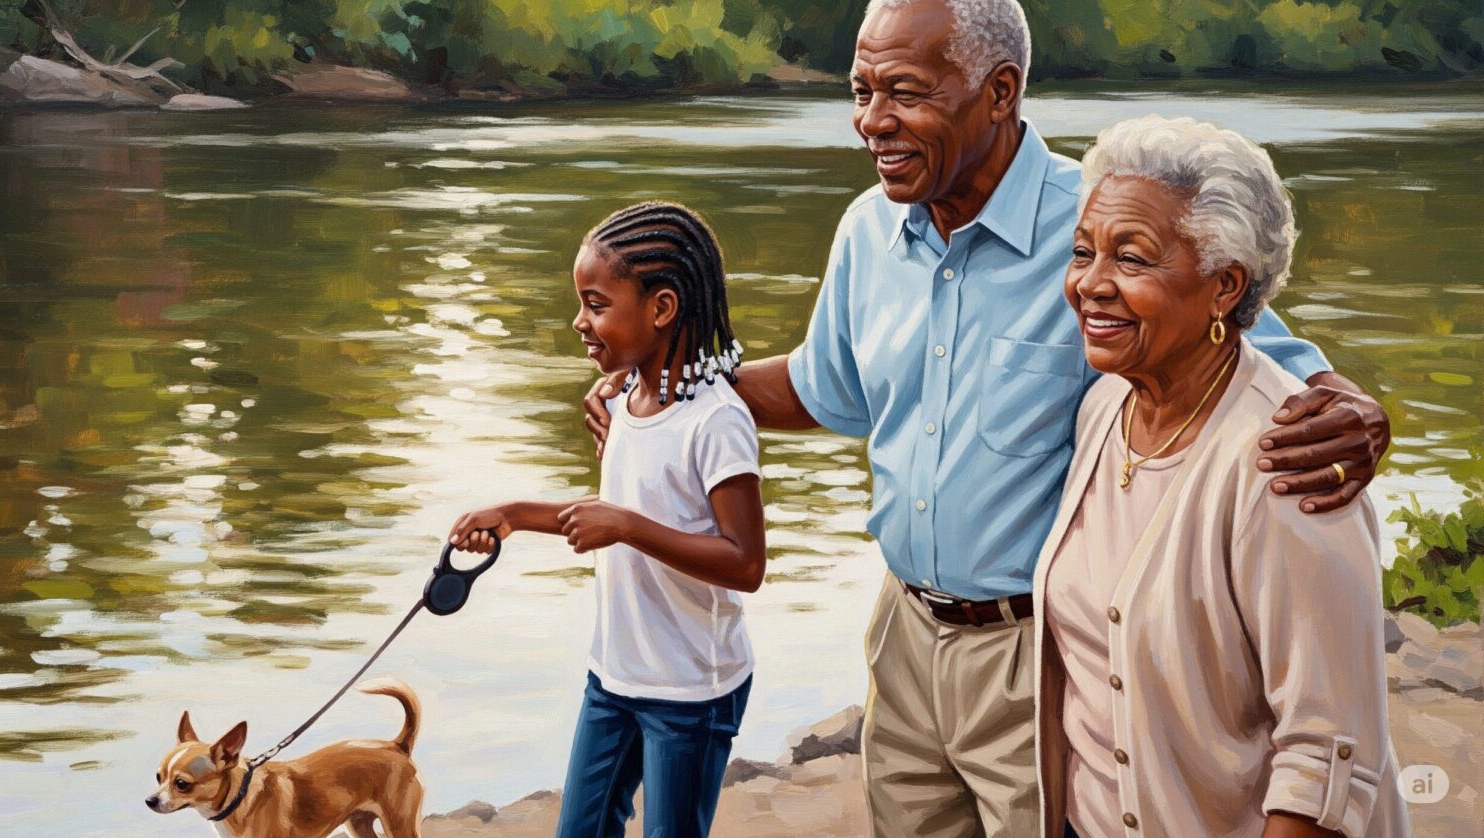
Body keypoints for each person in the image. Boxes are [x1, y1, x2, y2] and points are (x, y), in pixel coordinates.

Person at [584, 1, 1393, 835]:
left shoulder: (1105, 223)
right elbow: (823, 385)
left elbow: (1247, 358)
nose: (872, 122)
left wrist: (1356, 406)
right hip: (903, 636)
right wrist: (671, 379)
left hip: (1038, 651)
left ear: (999, 90)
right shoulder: (866, 231)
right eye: (861, 91)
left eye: (903, 92)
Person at [1033, 115, 1407, 838]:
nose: (1090, 284)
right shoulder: (1106, 408)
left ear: (1223, 287)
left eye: (1133, 259)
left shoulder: (1287, 462)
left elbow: (1326, 757)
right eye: (1083, 252)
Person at [449, 202, 766, 838]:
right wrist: (512, 514)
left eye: (596, 304)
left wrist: (625, 527)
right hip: (614, 676)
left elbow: (745, 564)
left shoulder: (716, 420)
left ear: (663, 308)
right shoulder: (624, 397)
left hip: (689, 692)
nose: (579, 321)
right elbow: (615, 510)